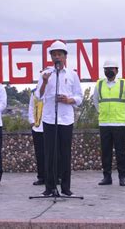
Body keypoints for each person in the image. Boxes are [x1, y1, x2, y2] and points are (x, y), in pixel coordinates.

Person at [35, 40, 83, 197]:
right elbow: (38, 96)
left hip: (66, 119)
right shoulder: (45, 74)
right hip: (49, 119)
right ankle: (50, 187)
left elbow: (80, 97)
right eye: (54, 55)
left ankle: (66, 187)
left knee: (65, 154)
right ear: (51, 57)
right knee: (50, 154)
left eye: (59, 54)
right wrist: (45, 82)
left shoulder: (72, 75)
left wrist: (69, 100)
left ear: (65, 57)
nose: (57, 57)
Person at [93, 59, 125, 186]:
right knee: (106, 152)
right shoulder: (99, 84)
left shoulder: (123, 84)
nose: (108, 71)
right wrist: (102, 113)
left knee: (121, 152)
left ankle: (122, 177)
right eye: (106, 69)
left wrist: (121, 114)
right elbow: (96, 102)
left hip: (119, 123)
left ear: (117, 70)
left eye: (111, 69)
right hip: (104, 123)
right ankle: (107, 177)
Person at [28, 87, 45, 185]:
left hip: (51, 126)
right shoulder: (35, 92)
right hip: (38, 127)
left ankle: (56, 177)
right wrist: (31, 121)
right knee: (40, 154)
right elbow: (31, 107)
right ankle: (41, 177)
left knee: (54, 154)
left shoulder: (54, 88)